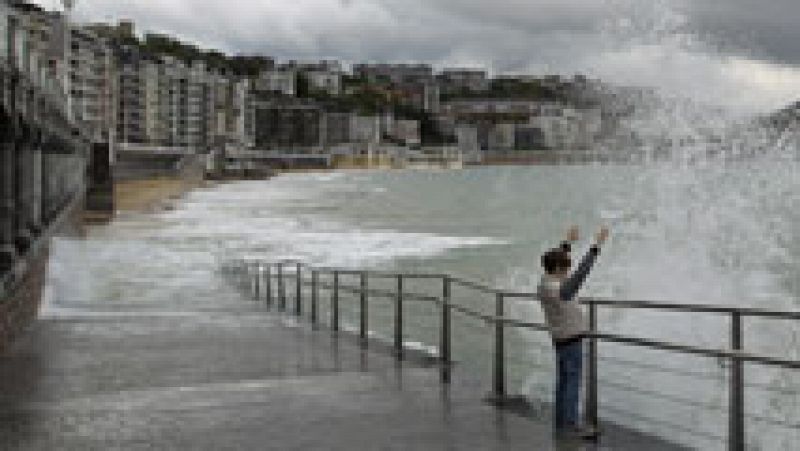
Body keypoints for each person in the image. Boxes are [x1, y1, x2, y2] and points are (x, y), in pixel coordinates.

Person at [538, 226, 609, 440]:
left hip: (560, 339)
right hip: (570, 340)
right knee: (572, 383)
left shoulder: (545, 283)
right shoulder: (560, 289)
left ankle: (561, 423)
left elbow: (558, 263)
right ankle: (570, 425)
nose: (567, 272)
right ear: (558, 269)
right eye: (564, 268)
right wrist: (595, 247)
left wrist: (567, 243)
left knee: (563, 382)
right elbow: (581, 274)